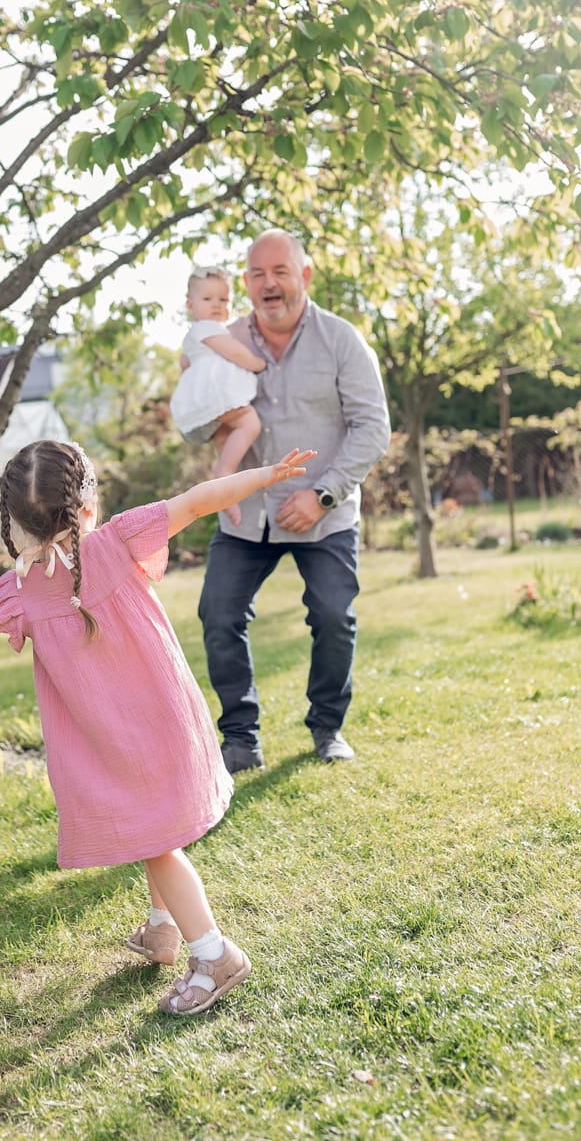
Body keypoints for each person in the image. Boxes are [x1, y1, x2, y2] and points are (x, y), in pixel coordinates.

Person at [0, 438, 315, 1015]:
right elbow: (198, 500)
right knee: (155, 828)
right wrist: (264, 475)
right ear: (85, 505)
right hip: (161, 718)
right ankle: (163, 928)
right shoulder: (118, 540)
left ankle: (215, 955)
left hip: (115, 738)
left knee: (157, 842)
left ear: (16, 520)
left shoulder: (22, 588)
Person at [198, 229, 391, 774]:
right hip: (248, 513)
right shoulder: (224, 341)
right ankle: (240, 739)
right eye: (258, 274)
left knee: (332, 616)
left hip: (324, 514)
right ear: (245, 283)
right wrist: (200, 402)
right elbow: (192, 426)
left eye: (280, 271)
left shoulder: (341, 340)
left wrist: (323, 494)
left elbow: (373, 428)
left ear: (304, 276)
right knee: (218, 613)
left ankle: (328, 728)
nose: (269, 284)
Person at [169, 264, 267, 526]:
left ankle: (225, 492)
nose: (216, 304)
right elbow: (234, 352)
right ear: (190, 306)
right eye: (208, 299)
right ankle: (224, 472)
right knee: (249, 423)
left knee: (224, 437)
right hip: (217, 396)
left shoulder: (194, 335)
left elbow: (184, 363)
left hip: (206, 400)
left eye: (223, 299)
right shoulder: (206, 327)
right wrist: (257, 363)